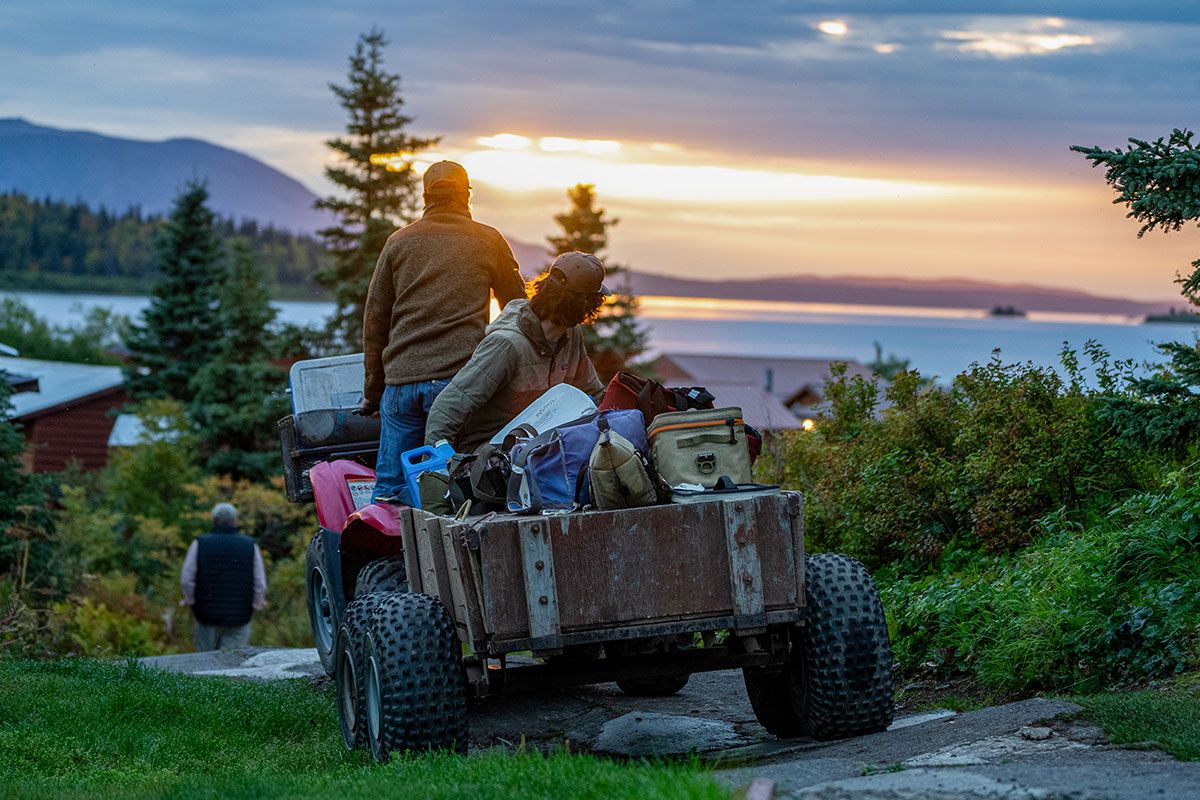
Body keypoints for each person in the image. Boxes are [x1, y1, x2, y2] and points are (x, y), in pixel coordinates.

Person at [361, 160, 527, 503]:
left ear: (425, 196)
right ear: (466, 196)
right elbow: (517, 309)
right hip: (459, 384)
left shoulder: (398, 242)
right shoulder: (488, 240)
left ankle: (394, 556)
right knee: (460, 492)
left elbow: (375, 323)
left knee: (391, 491)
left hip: (401, 385)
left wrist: (373, 392)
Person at [425, 251, 608, 452]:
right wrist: (437, 469)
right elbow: (446, 409)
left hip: (535, 448)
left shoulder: (571, 337)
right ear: (585, 305)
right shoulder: (506, 345)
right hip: (488, 455)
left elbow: (594, 393)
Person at [180, 503, 266, 651]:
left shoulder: (200, 543)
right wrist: (257, 603)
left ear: (214, 520)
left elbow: (187, 579)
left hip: (205, 615)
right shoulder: (250, 545)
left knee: (205, 661)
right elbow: (260, 582)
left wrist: (190, 600)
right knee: (233, 661)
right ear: (235, 521)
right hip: (239, 616)